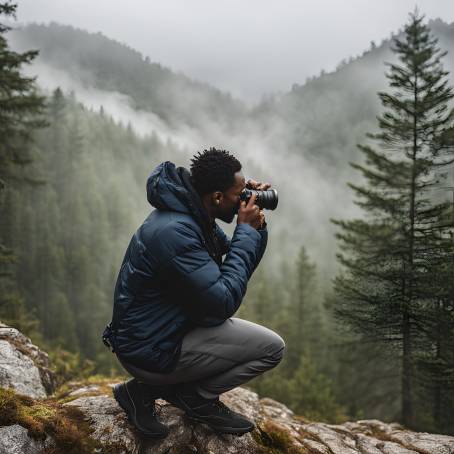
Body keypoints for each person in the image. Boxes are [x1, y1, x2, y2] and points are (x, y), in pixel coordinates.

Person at [102, 148, 286, 439]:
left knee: (252, 338)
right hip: (150, 352)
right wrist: (246, 232)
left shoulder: (191, 214)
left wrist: (256, 227)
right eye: (238, 194)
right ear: (216, 196)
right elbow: (223, 301)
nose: (243, 199)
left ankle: (151, 392)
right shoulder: (176, 232)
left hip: (162, 331)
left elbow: (235, 258)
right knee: (271, 348)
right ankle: (190, 396)